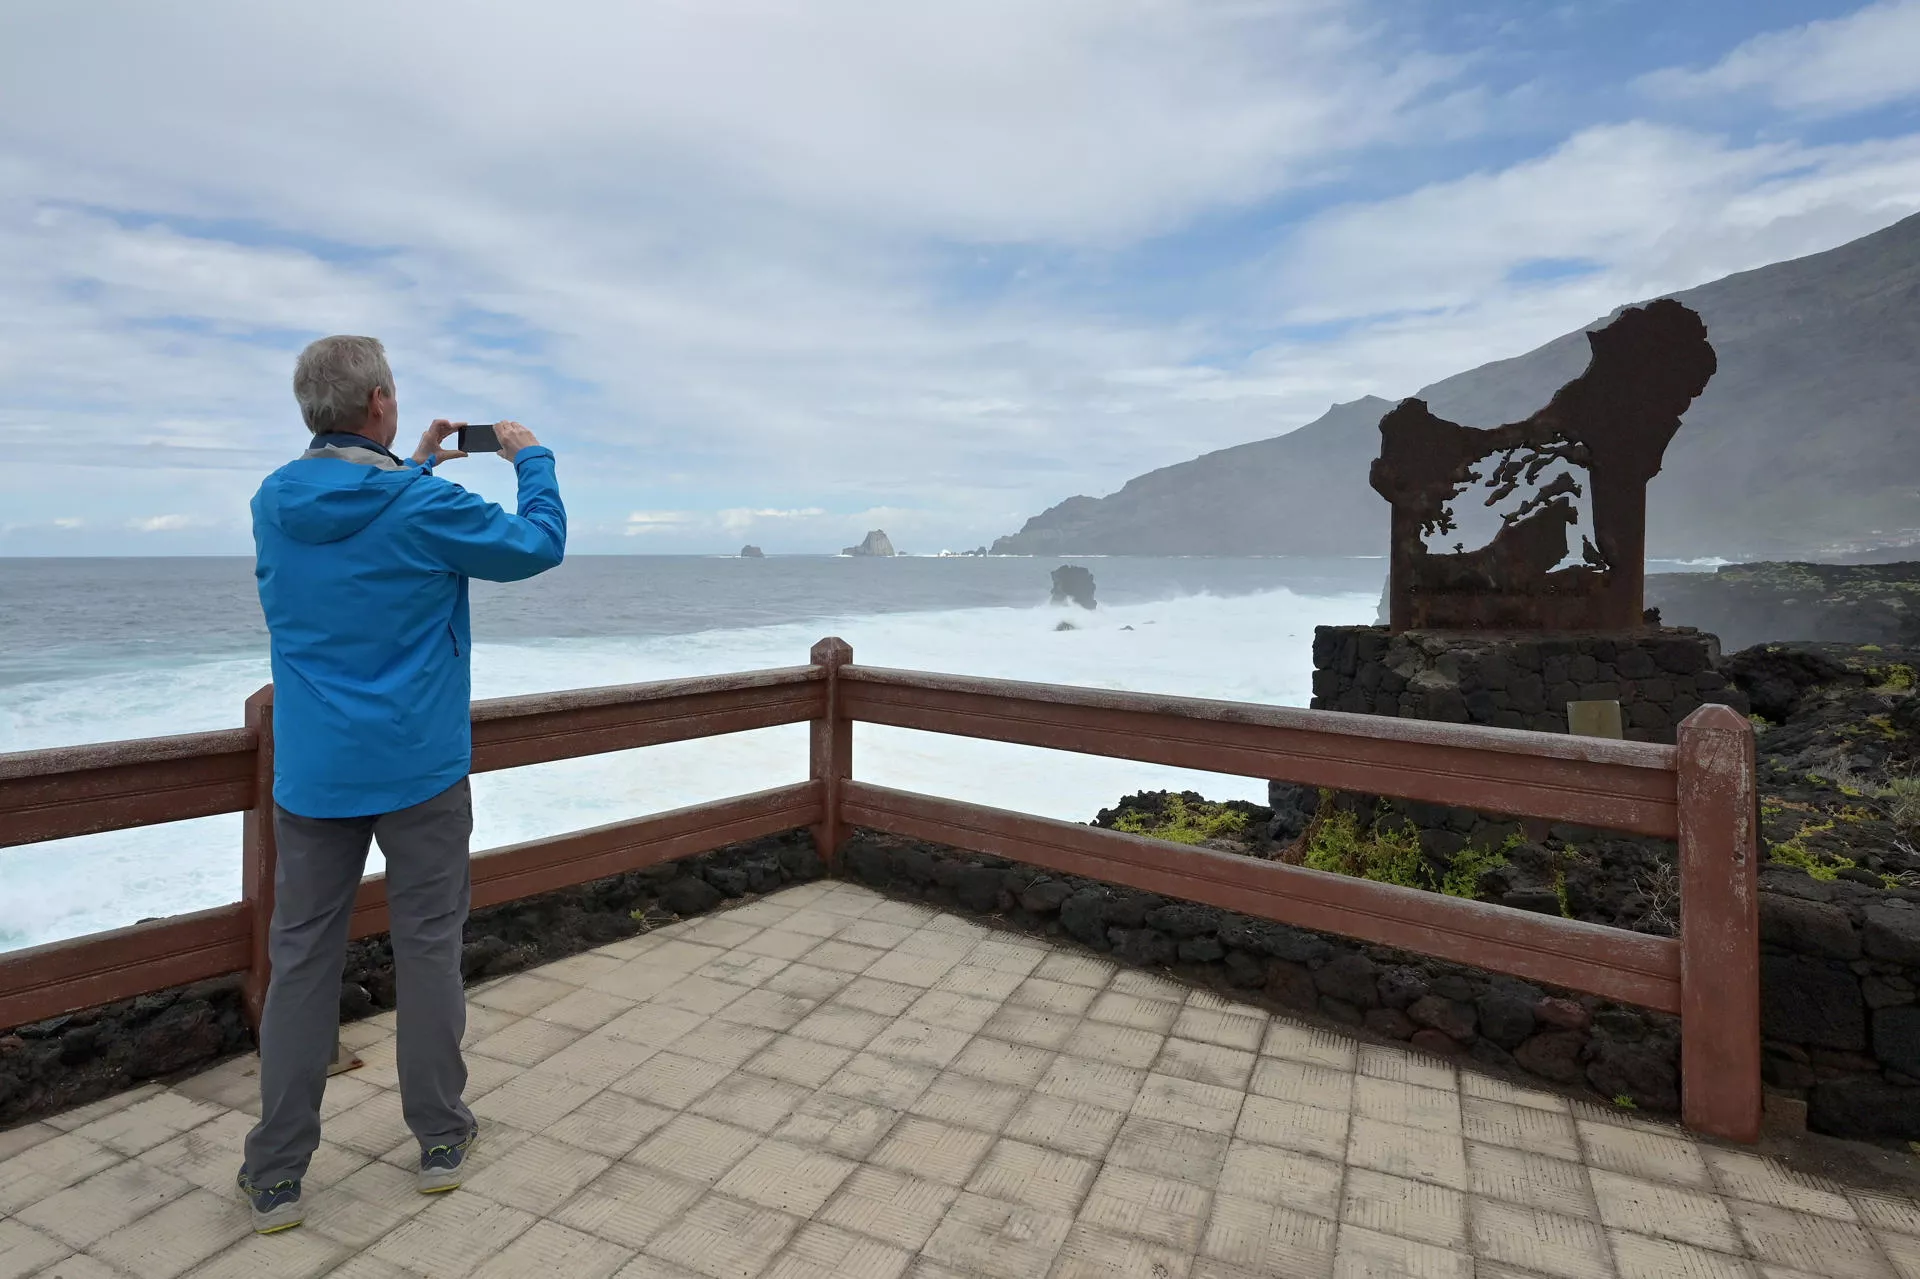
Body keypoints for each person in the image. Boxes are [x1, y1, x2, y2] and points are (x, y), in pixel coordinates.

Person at [238, 335, 566, 1234]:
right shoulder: (420, 505)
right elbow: (536, 545)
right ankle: (439, 1140)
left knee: (301, 961)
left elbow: (353, 523)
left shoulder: (272, 501)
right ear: (380, 400)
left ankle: (275, 1176)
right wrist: (528, 455)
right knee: (427, 950)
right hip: (419, 766)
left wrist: (410, 463)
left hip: (313, 773)